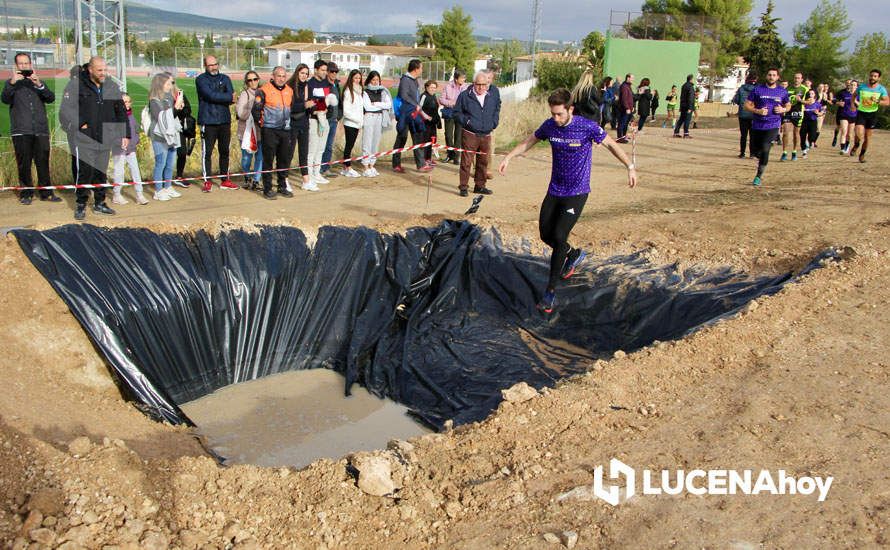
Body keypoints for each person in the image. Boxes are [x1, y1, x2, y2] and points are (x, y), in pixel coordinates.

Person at [498, 88, 637, 313]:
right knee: (546, 234)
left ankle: (550, 292)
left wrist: (629, 167)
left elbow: (611, 144)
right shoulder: (550, 126)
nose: (556, 118)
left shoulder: (587, 127)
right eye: (552, 114)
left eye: (559, 114)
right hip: (555, 189)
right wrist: (509, 156)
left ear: (570, 109)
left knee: (560, 235)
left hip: (577, 191)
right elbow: (530, 140)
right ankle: (572, 254)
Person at [59, 56, 130, 220]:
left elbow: (120, 111)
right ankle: (81, 204)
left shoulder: (111, 86)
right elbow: (66, 109)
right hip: (85, 138)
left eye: (105, 70)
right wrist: (81, 123)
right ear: (90, 69)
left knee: (100, 172)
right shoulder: (76, 85)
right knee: (85, 172)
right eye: (100, 70)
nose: (103, 73)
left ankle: (100, 203)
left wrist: (125, 134)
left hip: (105, 137)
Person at [2, 52, 61, 204]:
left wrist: (39, 84)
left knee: (43, 162)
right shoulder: (11, 84)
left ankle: (46, 193)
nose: (24, 66)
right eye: (21, 64)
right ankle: (26, 194)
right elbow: (5, 99)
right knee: (24, 164)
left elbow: (50, 98)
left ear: (31, 64)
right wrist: (13, 83)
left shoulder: (37, 82)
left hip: (40, 130)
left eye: (26, 63)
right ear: (16, 66)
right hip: (21, 130)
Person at [454, 71, 500, 196]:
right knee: (466, 162)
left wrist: (494, 122)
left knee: (483, 161)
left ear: (487, 84)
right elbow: (457, 113)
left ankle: (480, 186)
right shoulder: (465, 95)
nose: (480, 87)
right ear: (474, 83)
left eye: (483, 84)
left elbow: (497, 108)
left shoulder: (492, 96)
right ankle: (463, 187)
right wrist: (468, 121)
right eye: (478, 84)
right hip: (470, 134)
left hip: (486, 134)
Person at [196, 55, 238, 192]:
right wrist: (226, 97)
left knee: (224, 151)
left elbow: (233, 98)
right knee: (207, 152)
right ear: (205, 66)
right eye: (210, 65)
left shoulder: (225, 78)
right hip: (208, 120)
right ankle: (207, 180)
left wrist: (225, 97)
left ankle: (225, 179)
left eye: (215, 64)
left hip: (224, 120)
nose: (214, 67)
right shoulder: (200, 79)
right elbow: (210, 95)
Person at [252, 66, 295, 200]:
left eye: (283, 76)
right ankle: (268, 188)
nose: (281, 78)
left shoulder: (289, 90)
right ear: (273, 76)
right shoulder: (263, 90)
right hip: (269, 130)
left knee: (283, 159)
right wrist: (263, 124)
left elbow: (291, 108)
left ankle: (282, 186)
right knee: (268, 159)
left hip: (285, 130)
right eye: (279, 76)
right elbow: (256, 110)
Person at [744, 68, 790, 187]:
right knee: (755, 151)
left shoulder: (782, 91)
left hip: (773, 124)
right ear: (766, 76)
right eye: (769, 75)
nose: (771, 77)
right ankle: (760, 156)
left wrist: (783, 109)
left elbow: (788, 104)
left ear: (777, 77)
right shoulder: (758, 89)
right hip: (757, 124)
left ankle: (758, 176)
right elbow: (746, 105)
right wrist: (757, 110)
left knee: (765, 148)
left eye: (774, 75)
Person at [147, 72, 183, 201]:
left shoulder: (169, 97)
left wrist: (178, 107)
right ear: (160, 84)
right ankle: (158, 190)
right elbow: (161, 117)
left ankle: (168, 186)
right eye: (168, 83)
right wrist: (175, 108)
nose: (170, 86)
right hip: (159, 137)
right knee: (160, 163)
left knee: (170, 163)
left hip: (171, 136)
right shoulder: (154, 100)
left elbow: (172, 116)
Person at [392, 59, 431, 173]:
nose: (422, 70)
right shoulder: (405, 80)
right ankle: (396, 164)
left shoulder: (415, 81)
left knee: (418, 136)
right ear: (416, 69)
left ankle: (421, 164)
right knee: (402, 138)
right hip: (405, 113)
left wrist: (419, 109)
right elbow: (404, 96)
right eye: (421, 68)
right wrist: (415, 105)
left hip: (415, 114)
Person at [110, 93, 148, 205]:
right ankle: (116, 194)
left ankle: (139, 194)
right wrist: (119, 143)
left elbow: (136, 131)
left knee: (135, 171)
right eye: (124, 102)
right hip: (119, 149)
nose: (127, 104)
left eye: (128, 101)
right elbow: (111, 134)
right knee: (119, 172)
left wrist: (135, 141)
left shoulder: (131, 116)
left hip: (131, 149)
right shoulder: (114, 117)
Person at [286, 63, 317, 191]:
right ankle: (284, 179)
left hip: (305, 123)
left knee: (304, 153)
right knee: (289, 152)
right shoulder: (290, 86)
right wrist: (304, 105)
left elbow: (309, 104)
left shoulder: (308, 87)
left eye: (306, 73)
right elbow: (289, 107)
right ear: (297, 73)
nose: (304, 76)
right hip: (292, 124)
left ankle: (306, 180)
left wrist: (314, 107)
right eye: (302, 73)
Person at [850, 69, 889, 163]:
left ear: (879, 78)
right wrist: (852, 105)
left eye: (875, 76)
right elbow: (854, 95)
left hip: (872, 114)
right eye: (871, 75)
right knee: (859, 134)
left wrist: (878, 101)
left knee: (867, 138)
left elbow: (887, 102)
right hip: (861, 113)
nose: (872, 78)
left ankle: (862, 154)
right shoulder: (862, 87)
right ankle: (856, 145)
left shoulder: (881, 89)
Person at [307, 60, 335, 184]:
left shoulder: (327, 84)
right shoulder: (310, 84)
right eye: (322, 70)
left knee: (321, 149)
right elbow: (310, 101)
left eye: (326, 70)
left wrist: (326, 111)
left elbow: (329, 101)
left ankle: (317, 172)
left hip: (324, 119)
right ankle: (309, 174)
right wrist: (316, 110)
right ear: (316, 70)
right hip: (313, 119)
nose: (325, 73)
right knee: (312, 149)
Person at [360, 70, 393, 177]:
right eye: (373, 80)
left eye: (377, 80)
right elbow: (368, 107)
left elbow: (388, 105)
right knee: (367, 141)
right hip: (369, 117)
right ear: (370, 80)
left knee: (375, 142)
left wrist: (377, 103)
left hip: (379, 117)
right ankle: (365, 166)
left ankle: (371, 164)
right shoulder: (365, 92)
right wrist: (380, 105)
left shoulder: (383, 91)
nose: (375, 82)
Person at [235, 70, 263, 190]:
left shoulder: (262, 93)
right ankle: (247, 176)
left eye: (255, 79)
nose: (253, 82)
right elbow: (240, 113)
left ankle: (256, 180)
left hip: (260, 131)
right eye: (250, 80)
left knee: (260, 157)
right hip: (246, 132)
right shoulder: (244, 95)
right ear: (246, 82)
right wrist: (253, 107)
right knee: (247, 157)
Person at [439, 70, 469, 164]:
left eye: (465, 78)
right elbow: (441, 99)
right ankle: (450, 154)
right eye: (462, 78)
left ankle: (456, 157)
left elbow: (467, 101)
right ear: (456, 79)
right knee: (448, 135)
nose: (464, 80)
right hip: (449, 113)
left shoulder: (466, 88)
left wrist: (457, 104)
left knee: (458, 136)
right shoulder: (447, 86)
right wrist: (451, 103)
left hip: (461, 113)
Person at [339, 69, 364, 178]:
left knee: (351, 145)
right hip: (350, 123)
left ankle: (346, 166)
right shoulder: (348, 92)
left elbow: (359, 108)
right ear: (351, 78)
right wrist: (357, 120)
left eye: (359, 78)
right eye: (355, 78)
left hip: (357, 123)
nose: (357, 80)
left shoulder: (359, 91)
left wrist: (360, 121)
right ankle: (347, 167)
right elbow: (346, 111)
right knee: (349, 145)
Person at [780, 72, 810, 161]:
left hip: (798, 112)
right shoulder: (787, 89)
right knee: (785, 132)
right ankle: (784, 152)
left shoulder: (805, 89)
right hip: (788, 112)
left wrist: (800, 100)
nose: (796, 79)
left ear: (801, 79)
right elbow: (782, 100)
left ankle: (794, 152)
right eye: (795, 78)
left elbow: (810, 102)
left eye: (798, 78)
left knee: (796, 133)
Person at [319, 62, 341, 177]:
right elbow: (323, 102)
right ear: (327, 72)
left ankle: (326, 168)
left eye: (335, 71)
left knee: (329, 145)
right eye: (331, 71)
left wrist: (338, 116)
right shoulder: (324, 85)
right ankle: (319, 168)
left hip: (334, 120)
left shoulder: (336, 85)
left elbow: (339, 102)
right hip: (326, 120)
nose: (334, 73)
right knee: (322, 145)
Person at [173, 83, 196, 183]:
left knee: (182, 152)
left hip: (180, 128)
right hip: (167, 129)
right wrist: (176, 109)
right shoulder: (163, 95)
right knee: (167, 155)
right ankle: (164, 179)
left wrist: (182, 109)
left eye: (173, 82)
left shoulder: (180, 94)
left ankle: (179, 175)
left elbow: (188, 109)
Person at [732, 73, 757, 158]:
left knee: (743, 135)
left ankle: (742, 153)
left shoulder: (741, 88)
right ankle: (752, 153)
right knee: (753, 135)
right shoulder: (757, 89)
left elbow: (736, 100)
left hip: (743, 114)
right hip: (754, 114)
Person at [419, 79, 442, 165]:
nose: (433, 89)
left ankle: (428, 158)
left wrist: (438, 121)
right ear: (426, 87)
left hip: (433, 124)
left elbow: (436, 110)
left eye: (434, 88)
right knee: (425, 141)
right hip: (425, 123)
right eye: (431, 87)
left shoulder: (434, 96)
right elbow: (419, 108)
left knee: (432, 141)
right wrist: (426, 117)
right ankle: (423, 160)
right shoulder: (423, 96)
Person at [834, 79, 858, 155]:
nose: (852, 86)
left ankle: (847, 146)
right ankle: (842, 149)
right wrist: (839, 103)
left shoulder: (858, 95)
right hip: (843, 114)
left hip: (853, 115)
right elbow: (834, 99)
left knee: (849, 134)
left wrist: (855, 101)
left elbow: (860, 105)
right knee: (844, 131)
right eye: (851, 85)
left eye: (854, 85)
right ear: (849, 86)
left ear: (857, 87)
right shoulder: (844, 93)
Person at [799, 88, 823, 157]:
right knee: (802, 135)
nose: (810, 95)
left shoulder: (817, 104)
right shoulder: (804, 103)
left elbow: (822, 112)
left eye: (812, 93)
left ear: (815, 95)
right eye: (809, 94)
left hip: (813, 121)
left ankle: (809, 142)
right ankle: (804, 151)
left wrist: (818, 113)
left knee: (811, 136)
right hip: (804, 121)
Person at [616, 73, 634, 141]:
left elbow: (631, 97)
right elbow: (624, 98)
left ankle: (623, 136)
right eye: (632, 78)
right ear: (628, 78)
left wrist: (632, 106)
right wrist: (627, 108)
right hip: (624, 109)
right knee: (622, 123)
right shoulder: (624, 86)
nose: (633, 80)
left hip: (629, 108)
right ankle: (620, 138)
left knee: (626, 123)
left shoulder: (628, 86)